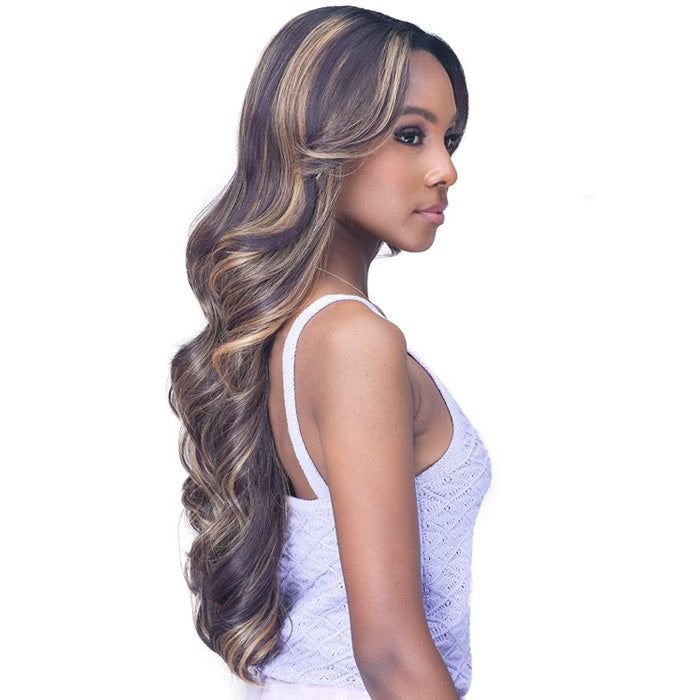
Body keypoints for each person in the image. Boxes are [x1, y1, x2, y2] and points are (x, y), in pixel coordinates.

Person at [169, 6, 492, 699]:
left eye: (450, 139)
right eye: (411, 135)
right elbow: (390, 653)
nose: (445, 169)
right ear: (322, 138)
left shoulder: (300, 331)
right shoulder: (353, 341)